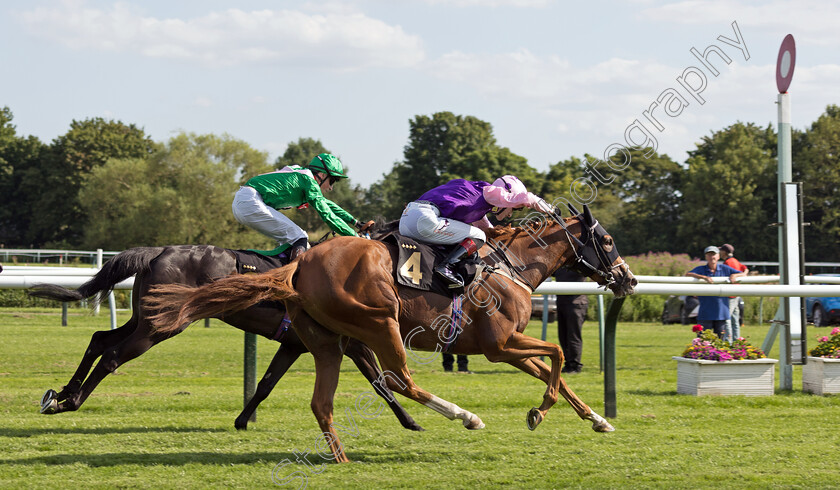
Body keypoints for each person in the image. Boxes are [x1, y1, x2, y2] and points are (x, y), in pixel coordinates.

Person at [398, 175, 551, 287]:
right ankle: (446, 267)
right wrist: (538, 202)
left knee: (476, 236)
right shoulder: (488, 191)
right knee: (478, 236)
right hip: (423, 219)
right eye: (516, 208)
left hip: (406, 220)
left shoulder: (478, 204)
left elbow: (488, 230)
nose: (511, 213)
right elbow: (518, 198)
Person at [232, 153, 373, 260]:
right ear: (322, 175)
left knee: (288, 243)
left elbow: (329, 206)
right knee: (300, 237)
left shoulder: (305, 178)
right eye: (332, 181)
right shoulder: (309, 181)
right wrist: (355, 237)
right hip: (250, 201)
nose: (330, 188)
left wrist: (355, 222)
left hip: (246, 200)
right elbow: (327, 216)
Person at [686, 245, 748, 339]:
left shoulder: (724, 268)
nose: (712, 257)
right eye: (709, 255)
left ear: (718, 256)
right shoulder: (701, 269)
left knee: (721, 342)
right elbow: (688, 274)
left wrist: (734, 275)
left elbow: (743, 273)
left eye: (714, 254)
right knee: (702, 342)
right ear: (706, 257)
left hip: (721, 313)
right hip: (705, 313)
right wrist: (704, 277)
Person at [554, 268, 589, 374]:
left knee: (573, 336)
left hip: (576, 303)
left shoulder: (578, 264)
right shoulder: (561, 265)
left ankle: (575, 365)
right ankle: (568, 364)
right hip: (562, 302)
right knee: (563, 335)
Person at [719, 243, 749, 342]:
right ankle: (737, 342)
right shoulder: (735, 261)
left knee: (726, 319)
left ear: (724, 252)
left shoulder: (727, 263)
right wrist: (741, 275)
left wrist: (735, 276)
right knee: (735, 320)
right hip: (736, 293)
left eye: (721, 251)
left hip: (729, 295)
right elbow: (745, 269)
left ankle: (728, 341)